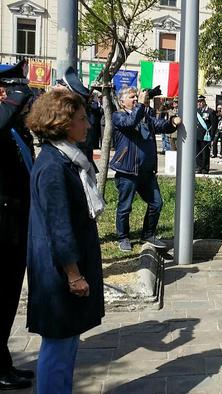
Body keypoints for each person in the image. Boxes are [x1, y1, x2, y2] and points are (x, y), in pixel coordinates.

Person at [24, 89, 105, 394]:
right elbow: (58, 227)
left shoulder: (65, 157)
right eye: (83, 119)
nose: (88, 125)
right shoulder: (54, 167)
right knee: (58, 345)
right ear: (64, 123)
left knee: (67, 339)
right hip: (58, 275)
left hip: (64, 269)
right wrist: (74, 275)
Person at [111, 87, 181, 252]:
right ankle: (123, 237)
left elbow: (160, 125)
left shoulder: (144, 116)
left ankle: (148, 234)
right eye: (132, 97)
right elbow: (130, 123)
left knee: (157, 203)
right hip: (128, 171)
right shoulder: (118, 116)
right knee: (125, 207)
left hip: (147, 173)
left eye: (137, 96)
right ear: (122, 101)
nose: (136, 99)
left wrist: (172, 123)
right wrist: (141, 105)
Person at [0, 60, 35, 390]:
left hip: (16, 224)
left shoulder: (15, 127)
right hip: (3, 227)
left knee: (8, 299)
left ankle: (3, 363)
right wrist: (12, 99)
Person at [196, 95, 215, 173]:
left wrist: (212, 137)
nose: (200, 103)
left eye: (201, 102)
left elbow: (214, 125)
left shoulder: (210, 111)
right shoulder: (197, 111)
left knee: (205, 153)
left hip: (206, 135)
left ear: (204, 102)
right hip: (197, 135)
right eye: (198, 102)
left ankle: (205, 168)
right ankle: (199, 167)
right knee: (198, 151)